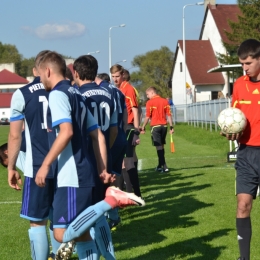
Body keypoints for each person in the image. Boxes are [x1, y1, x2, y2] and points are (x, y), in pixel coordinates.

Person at [33, 51, 144, 260]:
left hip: (71, 174)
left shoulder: (58, 94)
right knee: (83, 235)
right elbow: (99, 137)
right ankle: (109, 204)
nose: (39, 80)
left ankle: (110, 202)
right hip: (85, 170)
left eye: (40, 74)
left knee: (61, 233)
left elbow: (66, 131)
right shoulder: (76, 94)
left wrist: (46, 164)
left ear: (47, 71)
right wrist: (102, 169)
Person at [7, 50, 61, 260]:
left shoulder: (22, 93)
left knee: (37, 221)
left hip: (35, 166)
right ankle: (58, 256)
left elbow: (14, 136)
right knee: (59, 219)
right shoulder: (65, 89)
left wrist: (11, 167)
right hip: (63, 167)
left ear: (35, 70)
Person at [73, 55, 118, 259]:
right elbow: (115, 128)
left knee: (86, 211)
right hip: (104, 154)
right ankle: (109, 254)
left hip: (86, 159)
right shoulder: (110, 93)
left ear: (76, 72)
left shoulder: (78, 94)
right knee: (98, 209)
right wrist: (105, 151)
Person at [223, 39, 260, 260]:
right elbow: (234, 118)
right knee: (243, 205)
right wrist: (230, 131)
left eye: (248, 63)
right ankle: (244, 258)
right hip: (246, 153)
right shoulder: (238, 85)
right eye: (242, 64)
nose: (244, 68)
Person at [96, 73, 128, 230]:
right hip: (120, 135)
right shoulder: (117, 91)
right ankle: (113, 215)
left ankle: (106, 215)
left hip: (109, 138)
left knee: (103, 179)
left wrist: (104, 148)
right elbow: (124, 114)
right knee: (114, 177)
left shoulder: (99, 90)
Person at [110, 64, 142, 198]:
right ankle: (127, 193)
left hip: (128, 127)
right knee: (124, 162)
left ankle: (136, 195)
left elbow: (135, 109)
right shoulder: (119, 89)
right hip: (122, 127)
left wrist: (136, 131)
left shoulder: (128, 89)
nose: (115, 79)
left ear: (122, 75)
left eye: (117, 76)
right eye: (113, 77)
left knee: (127, 162)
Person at [140, 87, 174, 172]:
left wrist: (143, 126)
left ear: (152, 93)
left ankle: (165, 166)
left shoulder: (150, 102)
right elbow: (169, 114)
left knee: (158, 147)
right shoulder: (165, 101)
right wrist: (171, 126)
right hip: (164, 126)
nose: (147, 96)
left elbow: (147, 116)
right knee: (161, 146)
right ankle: (159, 165)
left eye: (147, 94)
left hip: (155, 126)